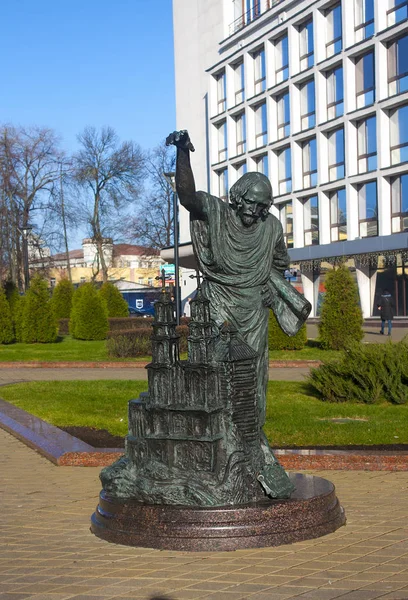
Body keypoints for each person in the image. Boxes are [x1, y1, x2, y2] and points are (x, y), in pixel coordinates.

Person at [166, 130, 311, 427]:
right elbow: (187, 197)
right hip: (218, 303)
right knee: (213, 371)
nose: (255, 210)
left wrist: (272, 289)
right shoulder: (217, 212)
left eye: (262, 206)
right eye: (251, 202)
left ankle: (251, 437)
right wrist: (183, 153)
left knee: (254, 379)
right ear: (237, 196)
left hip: (254, 311)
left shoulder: (270, 227)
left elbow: (280, 261)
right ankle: (214, 434)